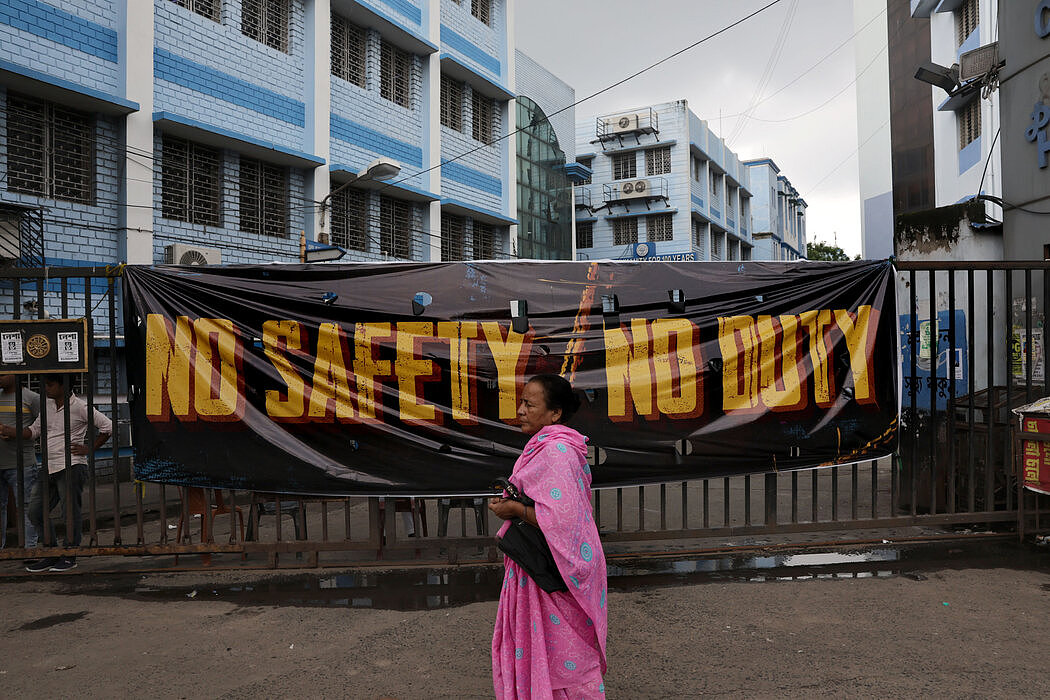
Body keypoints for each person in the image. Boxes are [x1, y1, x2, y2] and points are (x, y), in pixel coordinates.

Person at [489, 374, 608, 699]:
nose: (521, 410)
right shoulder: (554, 446)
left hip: (555, 572)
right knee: (559, 654)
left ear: (554, 413)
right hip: (550, 566)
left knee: (568, 659)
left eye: (529, 404)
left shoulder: (555, 451)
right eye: (522, 402)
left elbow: (562, 519)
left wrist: (513, 510)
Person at [0, 374, 112, 572]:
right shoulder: (47, 406)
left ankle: (70, 554)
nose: (46, 388)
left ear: (64, 385)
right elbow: (34, 431)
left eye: (50, 385)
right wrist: (11, 430)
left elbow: (108, 426)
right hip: (49, 466)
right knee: (35, 511)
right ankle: (51, 552)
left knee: (69, 513)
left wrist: (90, 448)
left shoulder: (80, 407)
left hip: (72, 466)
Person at [0, 374, 40, 549]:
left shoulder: (32, 398)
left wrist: (15, 432)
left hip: (22, 464)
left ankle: (29, 548)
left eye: (4, 372)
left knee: (25, 506)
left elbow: (42, 427)